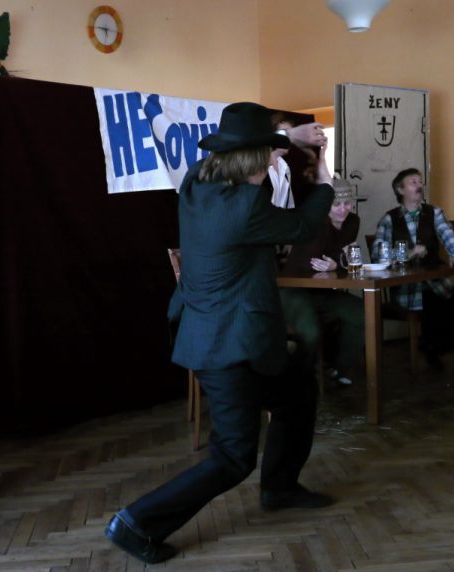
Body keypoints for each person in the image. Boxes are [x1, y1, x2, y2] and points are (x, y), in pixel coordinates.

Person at [104, 102, 335, 564]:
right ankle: (136, 522)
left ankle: (280, 487)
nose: (274, 160)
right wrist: (327, 181)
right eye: (270, 153)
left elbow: (244, 158)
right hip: (226, 343)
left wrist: (290, 141)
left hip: (223, 330)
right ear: (255, 157)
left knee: (296, 392)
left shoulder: (197, 182)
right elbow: (304, 224)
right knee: (233, 456)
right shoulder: (246, 207)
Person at [372, 167, 454, 368]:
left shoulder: (434, 213)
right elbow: (377, 255)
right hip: (407, 290)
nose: (419, 185)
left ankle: (432, 346)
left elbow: (447, 235)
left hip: (435, 284)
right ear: (400, 190)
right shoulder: (389, 219)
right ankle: (431, 346)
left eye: (420, 181)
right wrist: (409, 253)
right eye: (413, 182)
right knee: (438, 308)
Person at [281, 178, 365, 385]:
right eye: (336, 204)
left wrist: (335, 262)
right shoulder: (315, 224)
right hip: (294, 289)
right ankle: (299, 380)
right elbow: (311, 262)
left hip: (323, 291)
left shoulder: (352, 222)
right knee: (310, 332)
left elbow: (347, 258)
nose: (343, 209)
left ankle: (339, 369)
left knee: (361, 313)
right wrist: (339, 258)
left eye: (347, 203)